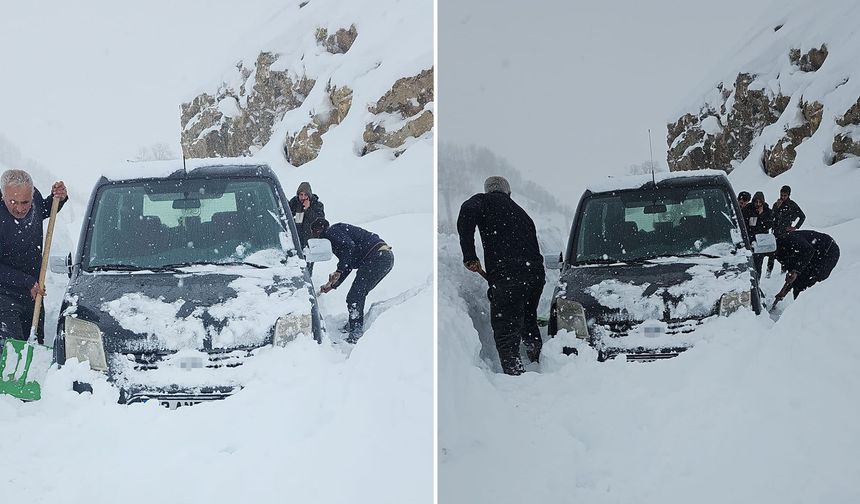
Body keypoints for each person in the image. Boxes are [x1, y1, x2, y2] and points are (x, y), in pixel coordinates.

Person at [457, 176, 544, 376]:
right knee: (528, 318)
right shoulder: (522, 213)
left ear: (489, 191)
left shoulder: (483, 201)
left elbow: (467, 210)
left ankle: (514, 374)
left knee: (506, 326)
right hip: (535, 275)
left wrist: (469, 254)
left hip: (508, 276)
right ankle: (538, 358)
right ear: (509, 193)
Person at [0, 169, 68, 345]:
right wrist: (26, 281)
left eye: (25, 202)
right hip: (4, 293)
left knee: (35, 342)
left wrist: (57, 199)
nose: (20, 208)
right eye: (13, 202)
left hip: (33, 290)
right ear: (3, 194)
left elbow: (44, 210)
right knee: (11, 345)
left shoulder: (34, 197)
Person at [312, 218, 393, 343]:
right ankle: (354, 325)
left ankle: (356, 332)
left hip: (377, 257)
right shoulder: (337, 237)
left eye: (315, 234)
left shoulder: (331, 232)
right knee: (357, 294)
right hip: (382, 257)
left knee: (355, 296)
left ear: (319, 231)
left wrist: (339, 271)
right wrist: (333, 285)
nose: (317, 239)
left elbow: (349, 247)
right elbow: (348, 263)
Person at [772, 230, 839, 308]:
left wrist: (796, 272)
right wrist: (784, 291)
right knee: (799, 283)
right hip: (814, 254)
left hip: (828, 251)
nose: (768, 256)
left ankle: (809, 311)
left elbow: (808, 251)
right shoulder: (779, 254)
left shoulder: (788, 240)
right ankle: (801, 309)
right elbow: (792, 275)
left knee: (809, 284)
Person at [767, 184, 806, 277]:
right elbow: (771, 217)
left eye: (785, 195)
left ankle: (783, 273)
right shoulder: (776, 204)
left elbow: (802, 216)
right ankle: (768, 274)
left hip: (786, 233)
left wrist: (795, 227)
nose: (783, 197)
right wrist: (776, 207)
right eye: (781, 195)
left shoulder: (792, 205)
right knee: (772, 254)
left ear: (789, 195)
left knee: (785, 253)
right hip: (775, 232)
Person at [288, 181, 325, 250]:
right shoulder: (293, 204)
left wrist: (307, 209)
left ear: (309, 195)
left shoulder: (317, 205)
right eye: (301, 195)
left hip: (310, 245)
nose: (303, 197)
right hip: (295, 243)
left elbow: (319, 222)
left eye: (305, 195)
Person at [746, 191, 773, 282]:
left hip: (760, 241)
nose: (758, 204)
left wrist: (761, 215)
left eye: (760, 202)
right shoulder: (748, 209)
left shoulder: (767, 211)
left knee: (758, 264)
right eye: (756, 202)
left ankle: (757, 283)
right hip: (749, 239)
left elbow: (769, 224)